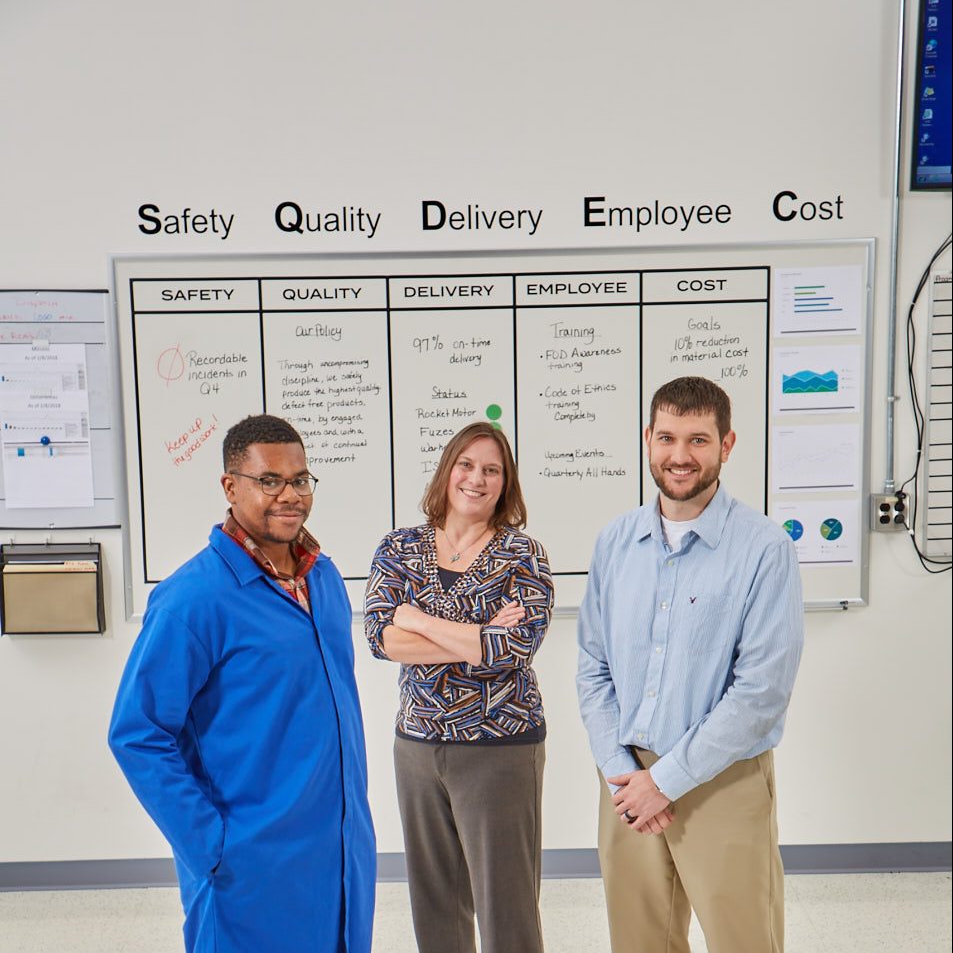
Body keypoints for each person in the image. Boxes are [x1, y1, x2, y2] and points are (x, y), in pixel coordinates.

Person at [108, 414, 375, 953]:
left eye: (300, 480)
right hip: (248, 867)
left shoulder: (322, 579)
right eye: (269, 480)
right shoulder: (193, 599)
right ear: (231, 487)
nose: (290, 495)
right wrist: (212, 846)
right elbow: (138, 734)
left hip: (339, 858)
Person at [577, 376, 804, 953]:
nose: (680, 457)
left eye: (699, 440)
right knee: (639, 941)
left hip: (720, 776)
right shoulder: (614, 542)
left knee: (744, 939)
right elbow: (593, 668)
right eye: (668, 438)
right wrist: (621, 772)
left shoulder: (764, 548)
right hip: (626, 778)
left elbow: (760, 693)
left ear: (727, 445)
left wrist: (668, 781)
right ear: (648, 438)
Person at [364, 421, 554, 953]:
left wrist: (418, 619)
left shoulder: (523, 554)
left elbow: (513, 650)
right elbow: (382, 638)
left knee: (506, 909)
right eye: (466, 465)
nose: (477, 478)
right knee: (436, 905)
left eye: (492, 470)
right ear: (447, 470)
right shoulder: (399, 546)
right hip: (418, 747)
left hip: (500, 748)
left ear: (506, 482)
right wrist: (478, 635)